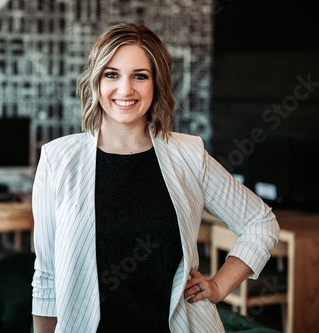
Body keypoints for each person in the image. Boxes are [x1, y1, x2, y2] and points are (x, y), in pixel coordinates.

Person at [31, 23, 279, 333]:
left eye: (139, 76)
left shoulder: (188, 154)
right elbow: (47, 276)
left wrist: (219, 286)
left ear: (156, 83)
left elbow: (261, 222)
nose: (125, 89)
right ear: (96, 81)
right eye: (112, 74)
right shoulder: (58, 159)